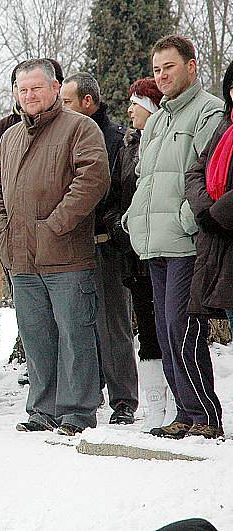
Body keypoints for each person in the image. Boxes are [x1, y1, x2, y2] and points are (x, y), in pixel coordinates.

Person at [0, 58, 110, 436]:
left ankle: (76, 412)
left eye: (36, 88)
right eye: (23, 90)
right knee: (37, 336)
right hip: (21, 259)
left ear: (55, 88)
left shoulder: (79, 128)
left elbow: (93, 178)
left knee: (74, 335)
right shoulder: (9, 138)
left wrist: (55, 225)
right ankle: (43, 408)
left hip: (66, 256)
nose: (29, 95)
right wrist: (2, 233)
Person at [123, 35, 224, 439]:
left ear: (192, 67)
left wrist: (187, 221)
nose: (162, 75)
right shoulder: (160, 119)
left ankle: (204, 415)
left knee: (182, 329)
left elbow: (208, 179)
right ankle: (185, 412)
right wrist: (134, 220)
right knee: (165, 333)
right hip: (154, 242)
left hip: (186, 243)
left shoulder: (208, 112)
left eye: (170, 66)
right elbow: (144, 179)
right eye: (157, 69)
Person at [61, 72, 138, 424]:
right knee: (76, 325)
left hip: (106, 244)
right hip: (69, 246)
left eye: (67, 102)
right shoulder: (62, 135)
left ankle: (123, 399)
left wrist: (110, 223)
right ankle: (86, 395)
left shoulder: (117, 139)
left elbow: (123, 189)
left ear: (87, 102)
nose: (62, 108)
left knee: (113, 325)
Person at [103, 78, 171, 432]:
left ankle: (179, 402)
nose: (129, 110)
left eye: (136, 103)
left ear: (153, 107)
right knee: (146, 328)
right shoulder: (127, 146)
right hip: (134, 252)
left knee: (170, 327)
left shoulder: (165, 142)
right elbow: (115, 194)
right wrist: (118, 226)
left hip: (168, 247)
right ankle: (156, 407)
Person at [181, 59, 233, 440]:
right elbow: (195, 172)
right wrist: (207, 212)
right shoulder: (224, 129)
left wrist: (218, 213)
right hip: (221, 247)